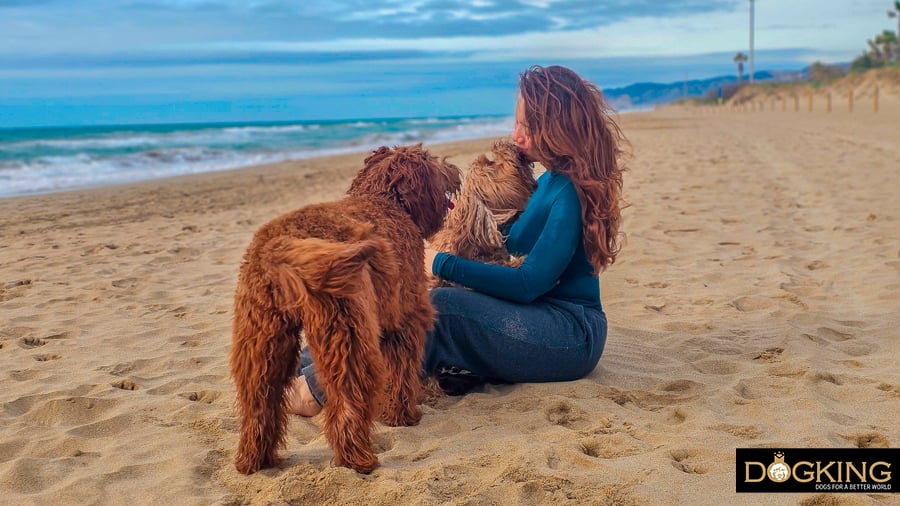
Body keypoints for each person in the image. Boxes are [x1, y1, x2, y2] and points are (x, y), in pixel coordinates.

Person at [286, 64, 626, 416]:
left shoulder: (570, 191)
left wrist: (438, 261)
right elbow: (504, 247)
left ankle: (316, 390)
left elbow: (528, 283)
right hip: (538, 318)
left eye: (526, 126)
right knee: (413, 302)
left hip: (569, 336)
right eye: (516, 123)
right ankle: (302, 367)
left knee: (442, 307)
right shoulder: (549, 182)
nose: (515, 135)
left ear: (555, 127)